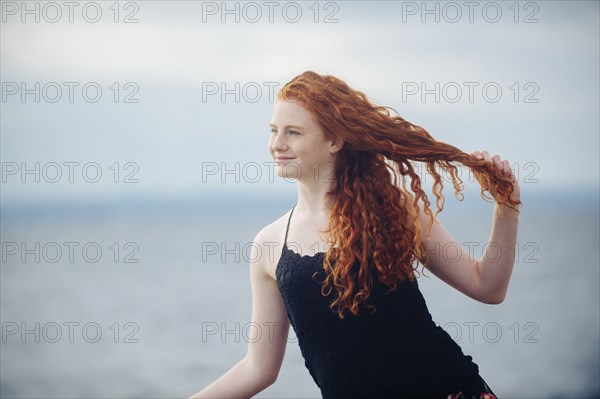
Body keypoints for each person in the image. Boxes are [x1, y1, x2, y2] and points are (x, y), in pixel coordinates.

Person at [189, 71, 521, 399]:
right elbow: (258, 370)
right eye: (274, 130)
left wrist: (506, 206)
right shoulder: (269, 244)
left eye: (293, 132)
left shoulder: (392, 209)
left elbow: (487, 286)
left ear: (334, 140)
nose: (277, 144)